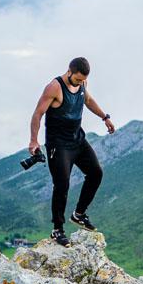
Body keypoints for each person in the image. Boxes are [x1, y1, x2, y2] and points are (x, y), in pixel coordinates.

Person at [28, 56, 115, 246]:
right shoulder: (54, 87)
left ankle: (79, 214)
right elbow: (37, 114)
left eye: (83, 80)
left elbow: (88, 100)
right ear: (69, 71)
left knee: (96, 173)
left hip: (77, 140)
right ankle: (57, 230)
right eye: (77, 79)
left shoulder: (82, 83)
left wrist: (105, 117)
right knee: (62, 185)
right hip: (58, 145)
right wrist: (34, 140)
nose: (81, 82)